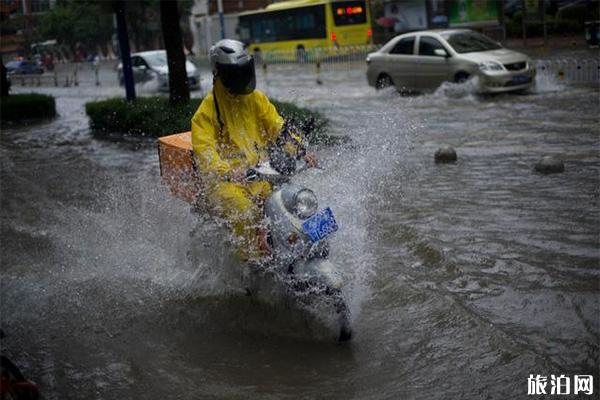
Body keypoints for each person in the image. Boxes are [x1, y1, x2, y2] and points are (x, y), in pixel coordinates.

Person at [191, 39, 316, 261]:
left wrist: (300, 151)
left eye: (243, 71)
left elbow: (278, 127)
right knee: (244, 211)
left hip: (258, 175)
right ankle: (252, 265)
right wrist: (226, 171)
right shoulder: (205, 113)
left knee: (291, 203)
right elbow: (205, 152)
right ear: (218, 73)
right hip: (225, 183)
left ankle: (301, 251)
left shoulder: (256, 99)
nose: (241, 78)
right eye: (234, 73)